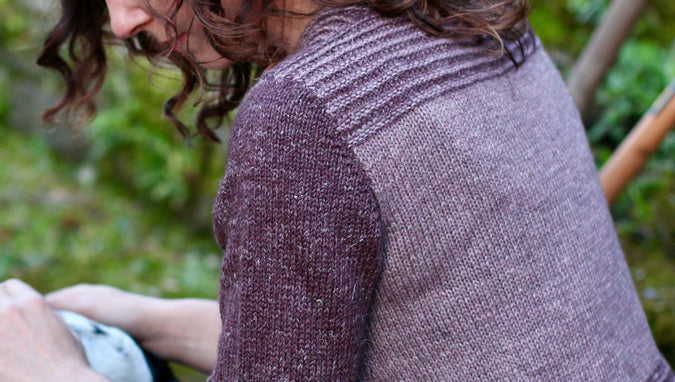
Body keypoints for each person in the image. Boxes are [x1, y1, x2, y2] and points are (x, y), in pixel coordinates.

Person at [0, 0, 672, 380]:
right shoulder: (468, 17)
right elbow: (403, 346)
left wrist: (58, 374)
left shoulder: (311, 112)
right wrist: (146, 317)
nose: (121, 21)